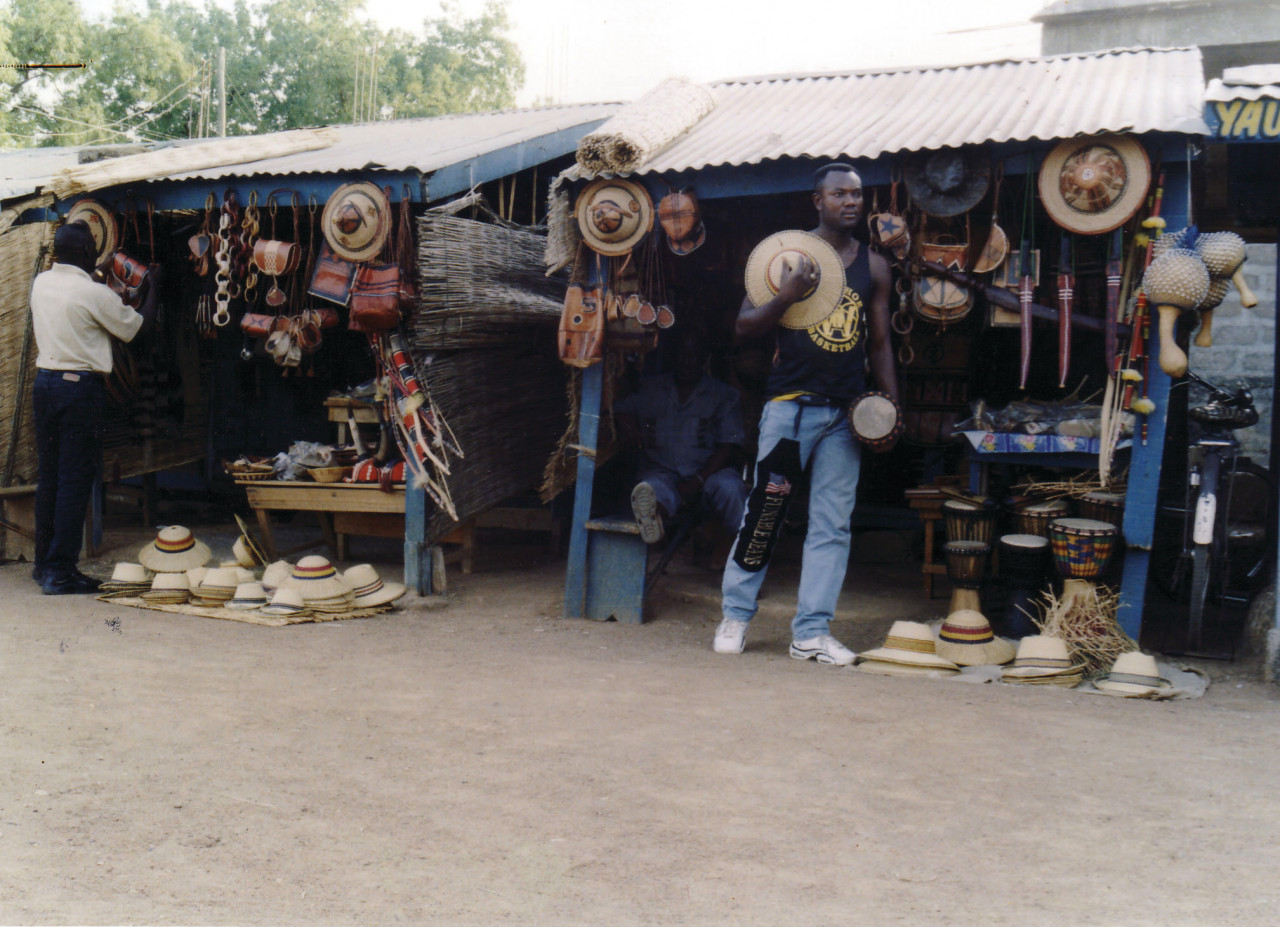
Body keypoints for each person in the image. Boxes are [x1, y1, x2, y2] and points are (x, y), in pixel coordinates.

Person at [715, 164, 899, 664]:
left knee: (832, 525)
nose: (851, 202)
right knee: (765, 512)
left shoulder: (875, 267)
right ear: (816, 200)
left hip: (846, 414)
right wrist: (787, 295)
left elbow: (879, 343)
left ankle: (811, 633)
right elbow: (744, 327)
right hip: (789, 409)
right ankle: (735, 614)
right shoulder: (783, 256)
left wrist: (889, 408)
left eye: (857, 194)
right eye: (838, 194)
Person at [30, 221, 159, 594]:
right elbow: (139, 328)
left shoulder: (42, 282)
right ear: (87, 251)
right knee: (74, 481)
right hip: (78, 391)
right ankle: (60, 571)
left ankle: (44, 566)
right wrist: (155, 285)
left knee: (50, 479)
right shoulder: (93, 293)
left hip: (46, 385)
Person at [614, 327, 748, 545]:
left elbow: (729, 445)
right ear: (672, 357)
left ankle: (743, 548)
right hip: (662, 472)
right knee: (650, 491)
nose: (687, 362)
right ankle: (654, 518)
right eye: (682, 356)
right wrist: (630, 427)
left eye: (694, 356)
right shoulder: (650, 388)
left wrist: (699, 479)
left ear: (704, 359)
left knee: (731, 489)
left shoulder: (724, 395)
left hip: (709, 476)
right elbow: (621, 409)